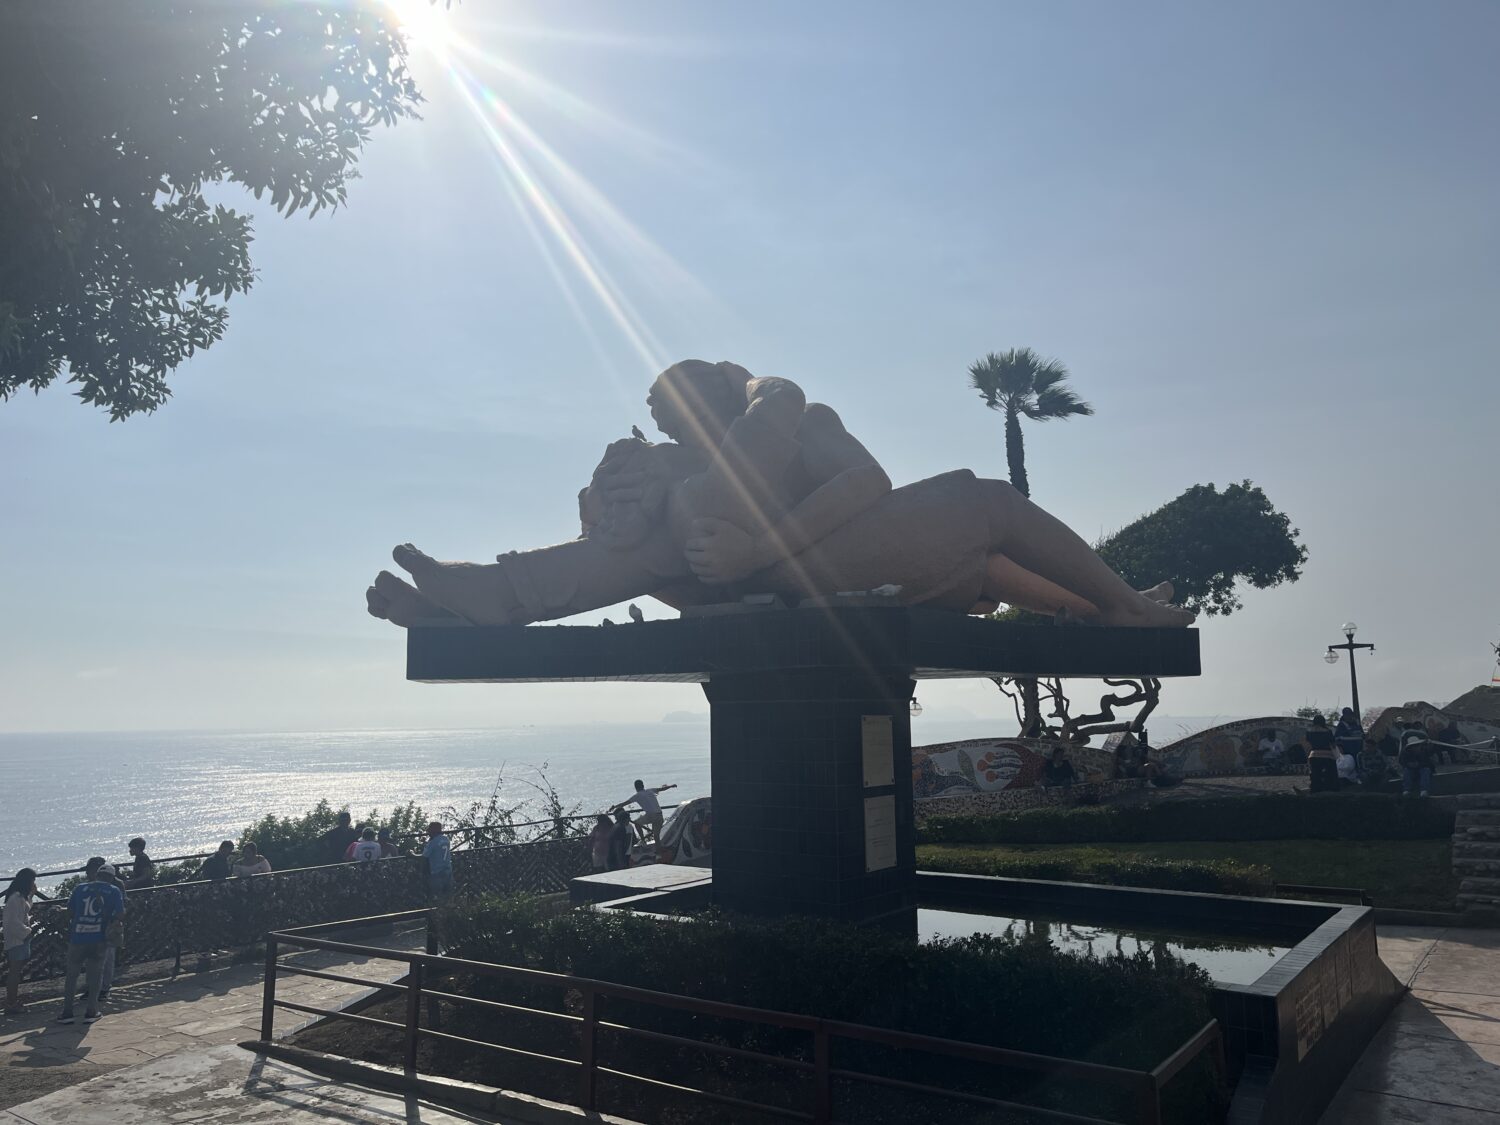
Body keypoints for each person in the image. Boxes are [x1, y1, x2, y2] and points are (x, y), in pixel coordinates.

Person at [367, 362, 1195, 633]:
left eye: (679, 413)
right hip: (783, 578)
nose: (670, 430)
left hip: (808, 559)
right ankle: (476, 598)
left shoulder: (797, 424)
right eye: (663, 423)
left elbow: (869, 481)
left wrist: (758, 549)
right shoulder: (688, 480)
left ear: (719, 398)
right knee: (986, 507)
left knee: (982, 522)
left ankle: (1113, 605)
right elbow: (641, 563)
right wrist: (601, 501)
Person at [58, 859, 123, 1025]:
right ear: (111, 878)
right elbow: (119, 914)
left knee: (72, 976)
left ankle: (67, 1012)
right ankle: (91, 1011)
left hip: (78, 938)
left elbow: (70, 911)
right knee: (95, 976)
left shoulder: (80, 888)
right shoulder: (114, 891)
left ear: (97, 874)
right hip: (99, 939)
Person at [3, 868, 37, 1015]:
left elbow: (24, 910)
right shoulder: (16, 898)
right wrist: (28, 932)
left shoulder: (19, 897)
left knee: (16, 971)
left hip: (20, 938)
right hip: (17, 939)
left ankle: (12, 1001)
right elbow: (13, 922)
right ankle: (11, 1003)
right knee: (14, 972)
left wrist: (31, 895)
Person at [1400, 723, 1434, 797]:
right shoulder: (1405, 753)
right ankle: (1406, 790)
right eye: (1414, 746)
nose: (1416, 747)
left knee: (1426, 770)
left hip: (1422, 769)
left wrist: (1418, 764)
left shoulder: (1424, 752)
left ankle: (1424, 790)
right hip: (1411, 770)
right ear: (1410, 747)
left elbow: (1429, 764)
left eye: (1417, 745)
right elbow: (1403, 763)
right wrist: (1409, 765)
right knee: (1406, 771)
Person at [421, 822, 453, 899]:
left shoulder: (432, 842)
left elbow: (424, 856)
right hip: (448, 871)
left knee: (436, 896)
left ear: (433, 831)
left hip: (437, 872)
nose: (428, 832)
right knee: (448, 895)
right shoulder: (446, 839)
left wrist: (412, 854)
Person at [1306, 715, 1338, 793]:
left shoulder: (1309, 731)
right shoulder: (1328, 731)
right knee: (1330, 773)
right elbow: (1333, 744)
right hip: (1328, 755)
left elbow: (1308, 743)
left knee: (1315, 774)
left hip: (1314, 754)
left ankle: (1315, 789)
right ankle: (1331, 787)